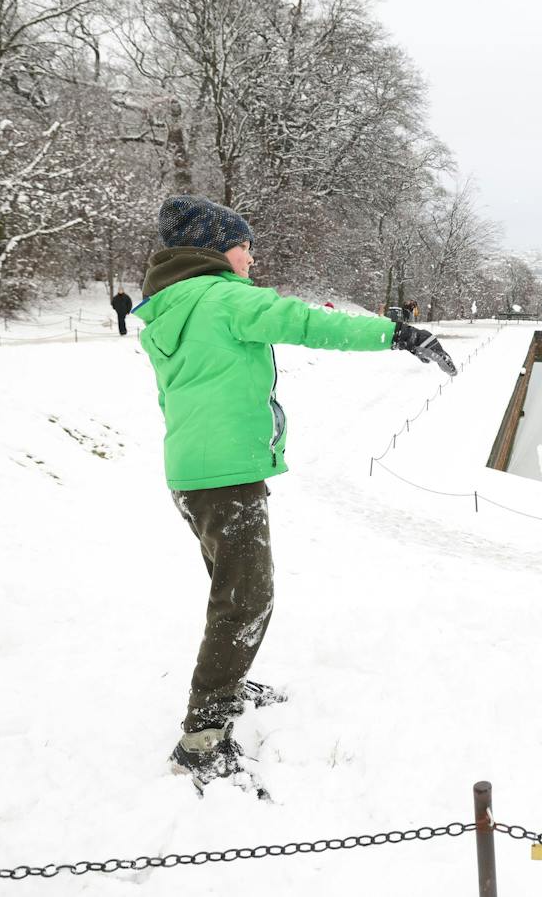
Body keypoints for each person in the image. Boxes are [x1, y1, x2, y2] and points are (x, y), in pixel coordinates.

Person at [131, 195, 458, 790]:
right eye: (243, 245)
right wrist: (399, 334)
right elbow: (311, 322)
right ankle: (203, 735)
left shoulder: (169, 305)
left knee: (229, 590)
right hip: (226, 479)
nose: (252, 256)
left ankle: (229, 684)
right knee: (247, 600)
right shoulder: (227, 298)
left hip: (191, 474)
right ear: (213, 250)